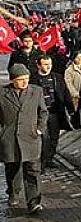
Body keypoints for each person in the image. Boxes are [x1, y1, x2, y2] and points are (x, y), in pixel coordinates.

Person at [0, 64, 48, 213]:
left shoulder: (36, 91)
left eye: (26, 79)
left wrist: (39, 129)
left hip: (31, 137)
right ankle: (13, 192)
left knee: (33, 170)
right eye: (20, 79)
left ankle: (34, 202)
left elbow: (43, 112)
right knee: (12, 168)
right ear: (13, 80)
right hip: (10, 138)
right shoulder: (2, 93)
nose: (24, 82)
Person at [30, 55, 73, 170]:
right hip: (40, 114)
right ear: (38, 65)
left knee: (54, 137)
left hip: (55, 112)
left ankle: (50, 158)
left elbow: (65, 93)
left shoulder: (57, 77)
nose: (48, 67)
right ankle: (42, 162)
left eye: (50, 64)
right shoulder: (32, 80)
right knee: (44, 138)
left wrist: (71, 109)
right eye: (45, 64)